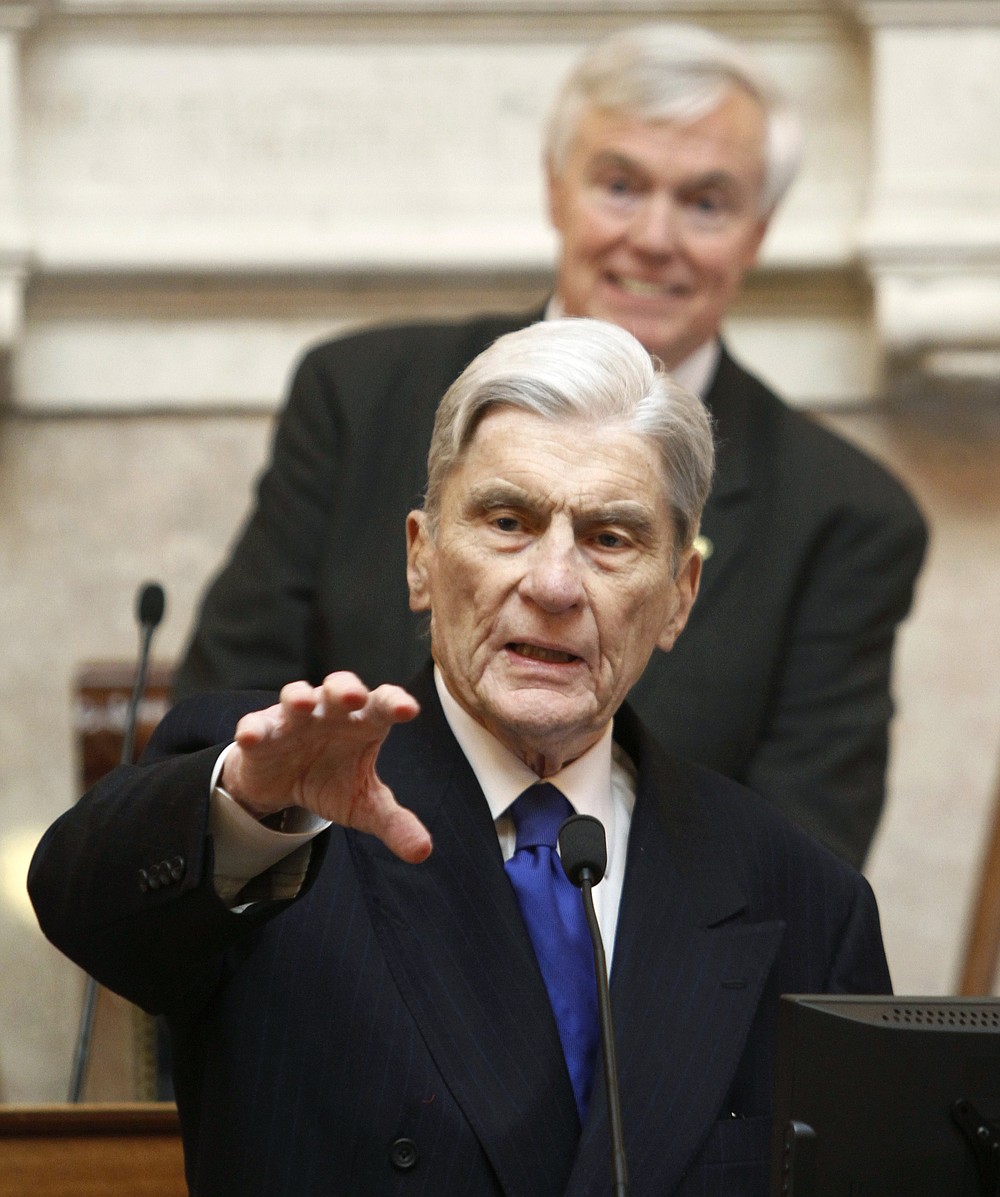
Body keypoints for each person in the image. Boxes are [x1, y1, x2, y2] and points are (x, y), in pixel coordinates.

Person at [31, 320, 890, 1197]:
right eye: (508, 522)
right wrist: (249, 813)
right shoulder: (282, 808)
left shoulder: (802, 903)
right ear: (421, 557)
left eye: (609, 538)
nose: (554, 585)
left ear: (678, 597)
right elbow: (81, 904)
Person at [172, 23, 927, 869]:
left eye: (706, 203)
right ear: (555, 190)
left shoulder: (845, 514)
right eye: (618, 185)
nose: (653, 236)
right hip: (344, 937)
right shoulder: (360, 397)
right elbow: (222, 721)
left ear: (758, 232)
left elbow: (801, 863)